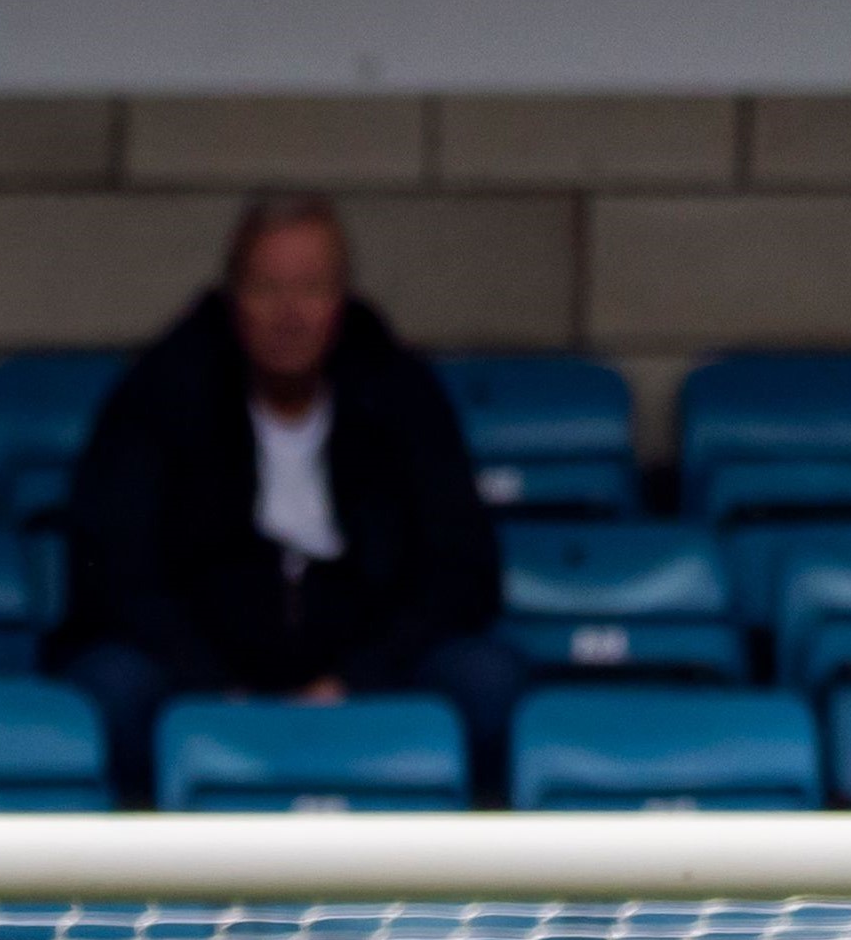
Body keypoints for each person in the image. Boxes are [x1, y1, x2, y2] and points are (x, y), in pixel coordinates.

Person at [56, 195, 513, 788]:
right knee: (109, 687)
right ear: (231, 299)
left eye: (312, 288)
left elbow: (461, 568)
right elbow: (115, 571)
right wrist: (218, 685)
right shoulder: (164, 392)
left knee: (487, 680)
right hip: (201, 671)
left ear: (342, 300)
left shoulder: (398, 393)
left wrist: (352, 680)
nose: (289, 312)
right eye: (267, 288)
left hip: (368, 668)